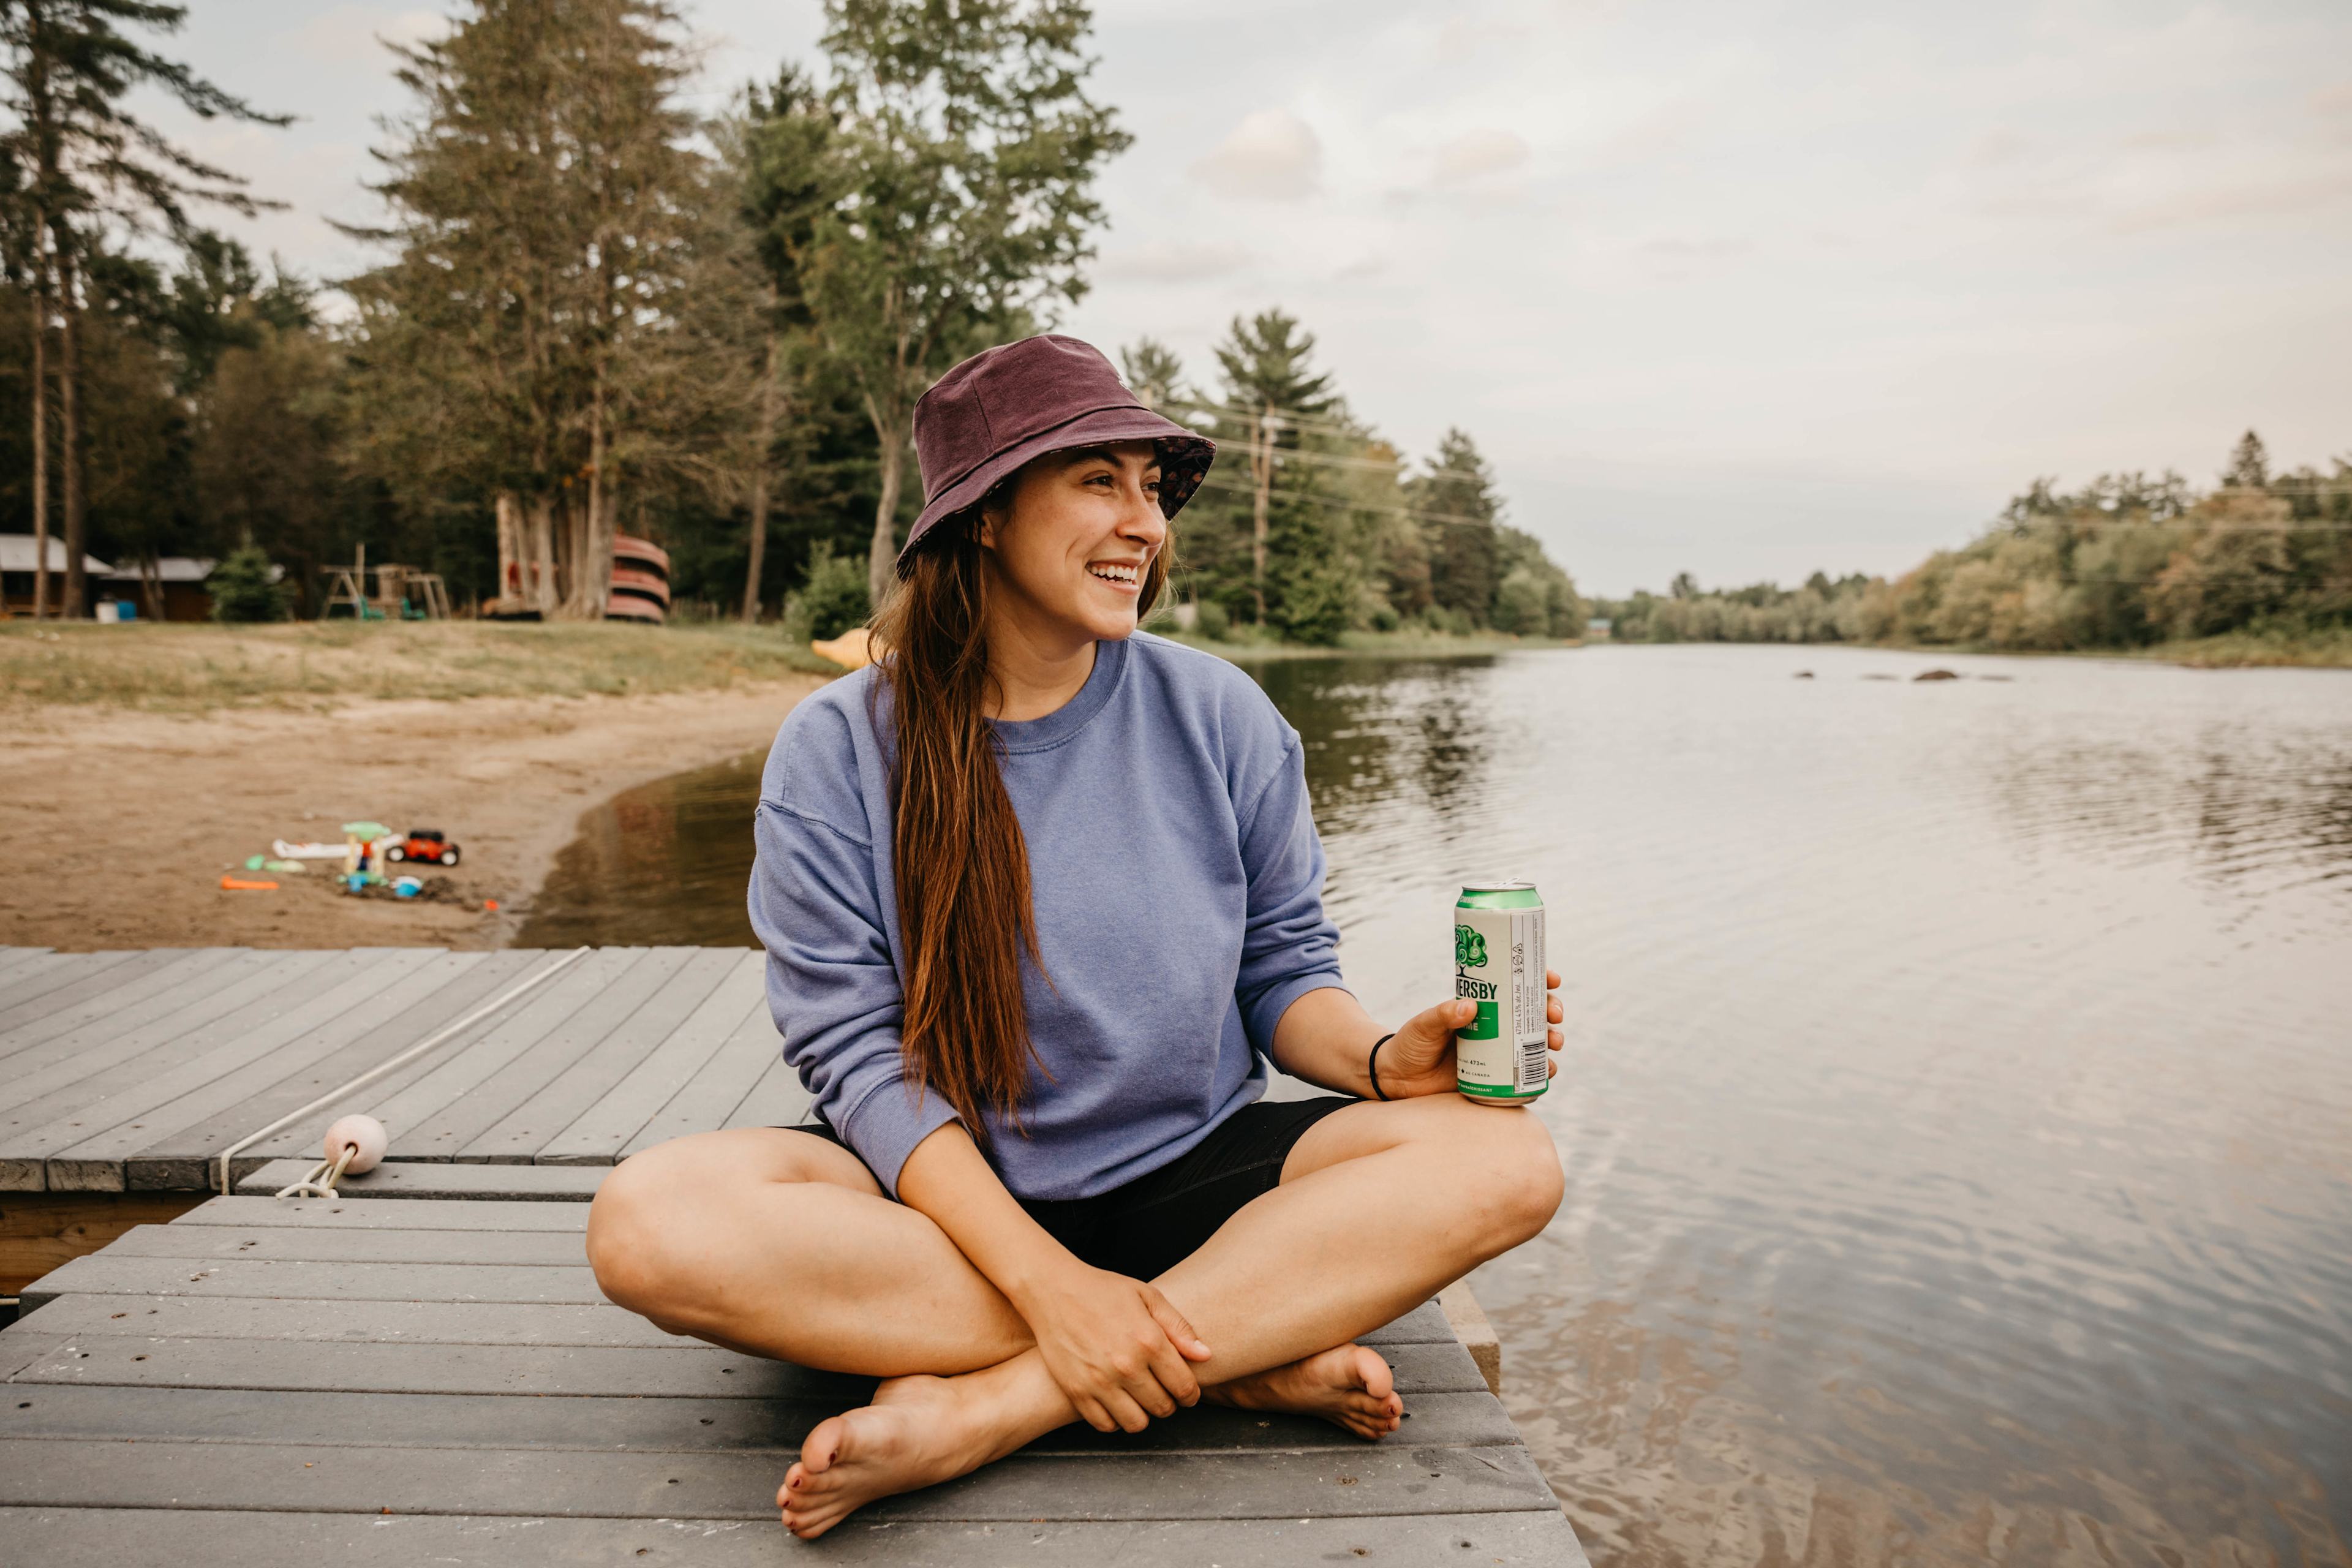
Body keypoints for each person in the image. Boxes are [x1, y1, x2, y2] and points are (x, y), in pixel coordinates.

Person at [586, 334, 1566, 1540]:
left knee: (1509, 1158)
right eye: (1098, 480)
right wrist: (1051, 1285)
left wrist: (1378, 1061)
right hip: (939, 1212)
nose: (1143, 521)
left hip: (1193, 1176)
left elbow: (1283, 970)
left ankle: (995, 1400)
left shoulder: (1222, 717)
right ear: (987, 514)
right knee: (648, 1219)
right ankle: (1230, 1346)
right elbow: (859, 1062)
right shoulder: (839, 748)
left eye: (1152, 486)